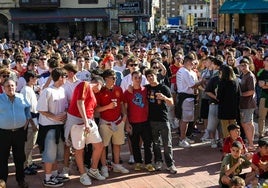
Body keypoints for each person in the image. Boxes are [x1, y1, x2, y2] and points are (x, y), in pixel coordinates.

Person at [65, 76, 106, 186]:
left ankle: (93, 170)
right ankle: (83, 175)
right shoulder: (84, 84)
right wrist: (86, 122)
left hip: (89, 121)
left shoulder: (92, 93)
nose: (100, 90)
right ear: (98, 84)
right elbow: (80, 103)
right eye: (101, 87)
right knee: (79, 149)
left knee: (99, 145)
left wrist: (88, 122)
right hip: (78, 122)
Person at [36, 68, 69, 187]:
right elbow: (40, 109)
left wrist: (64, 114)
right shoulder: (47, 91)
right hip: (48, 128)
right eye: (65, 75)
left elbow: (65, 106)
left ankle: (54, 174)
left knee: (55, 154)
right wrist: (55, 117)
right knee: (49, 154)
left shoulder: (62, 90)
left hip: (59, 127)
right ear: (60, 77)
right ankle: (48, 178)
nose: (66, 77)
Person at [95, 69, 129, 178]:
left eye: (115, 77)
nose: (115, 79)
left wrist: (124, 117)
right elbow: (96, 110)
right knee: (103, 146)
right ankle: (104, 166)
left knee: (117, 144)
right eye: (112, 77)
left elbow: (123, 103)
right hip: (105, 123)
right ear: (105, 79)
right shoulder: (100, 91)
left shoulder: (119, 89)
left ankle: (116, 164)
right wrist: (108, 107)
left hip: (118, 121)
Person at [145, 69, 177, 174]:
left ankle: (170, 164)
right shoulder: (146, 88)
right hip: (151, 120)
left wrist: (164, 98)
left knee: (167, 144)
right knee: (155, 143)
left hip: (163, 119)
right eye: (148, 76)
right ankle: (158, 161)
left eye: (152, 76)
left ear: (156, 75)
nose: (150, 78)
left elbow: (171, 102)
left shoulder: (163, 87)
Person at [0, 79, 31, 188]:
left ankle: (21, 180)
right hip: (3, 133)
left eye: (12, 85)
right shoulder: (0, 99)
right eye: (8, 86)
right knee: (2, 158)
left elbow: (28, 108)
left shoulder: (21, 97)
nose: (10, 88)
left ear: (16, 86)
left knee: (20, 158)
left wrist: (27, 120)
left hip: (19, 133)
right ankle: (2, 181)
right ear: (3, 88)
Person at [124, 71, 155, 172]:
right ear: (132, 79)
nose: (138, 80)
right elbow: (124, 109)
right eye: (135, 78)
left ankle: (148, 163)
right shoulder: (127, 92)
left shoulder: (146, 90)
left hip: (145, 121)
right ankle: (138, 162)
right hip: (133, 122)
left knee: (147, 143)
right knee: (135, 144)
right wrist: (127, 123)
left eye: (139, 78)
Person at [176, 54, 202, 148]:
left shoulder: (191, 72)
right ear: (187, 62)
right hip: (185, 97)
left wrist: (197, 93)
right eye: (192, 62)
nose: (193, 64)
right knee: (184, 119)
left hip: (191, 97)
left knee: (188, 119)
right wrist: (202, 81)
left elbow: (195, 85)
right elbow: (192, 84)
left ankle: (184, 137)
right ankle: (182, 139)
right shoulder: (184, 71)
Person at [20, 71, 42, 175]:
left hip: (34, 119)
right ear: (30, 78)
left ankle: (29, 162)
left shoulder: (30, 89)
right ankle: (24, 166)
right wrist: (32, 124)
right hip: (30, 121)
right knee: (28, 145)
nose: (36, 79)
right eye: (35, 77)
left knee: (31, 144)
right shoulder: (26, 90)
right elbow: (26, 109)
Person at [238, 57, 256, 151]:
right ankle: (251, 143)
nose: (243, 66)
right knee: (248, 123)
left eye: (245, 64)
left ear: (249, 65)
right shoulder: (242, 75)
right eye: (242, 65)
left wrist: (240, 95)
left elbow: (251, 91)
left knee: (246, 123)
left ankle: (251, 144)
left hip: (248, 104)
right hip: (245, 104)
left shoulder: (250, 76)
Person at [217, 65, 240, 139]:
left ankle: (227, 143)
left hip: (224, 108)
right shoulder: (235, 82)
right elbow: (239, 95)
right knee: (234, 127)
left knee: (225, 127)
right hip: (233, 108)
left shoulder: (222, 82)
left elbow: (219, 96)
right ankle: (235, 142)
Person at [257, 55, 268, 138]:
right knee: (262, 116)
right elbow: (261, 84)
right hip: (264, 96)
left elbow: (264, 84)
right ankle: (261, 133)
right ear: (264, 62)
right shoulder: (261, 72)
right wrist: (264, 84)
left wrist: (265, 83)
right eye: (267, 60)